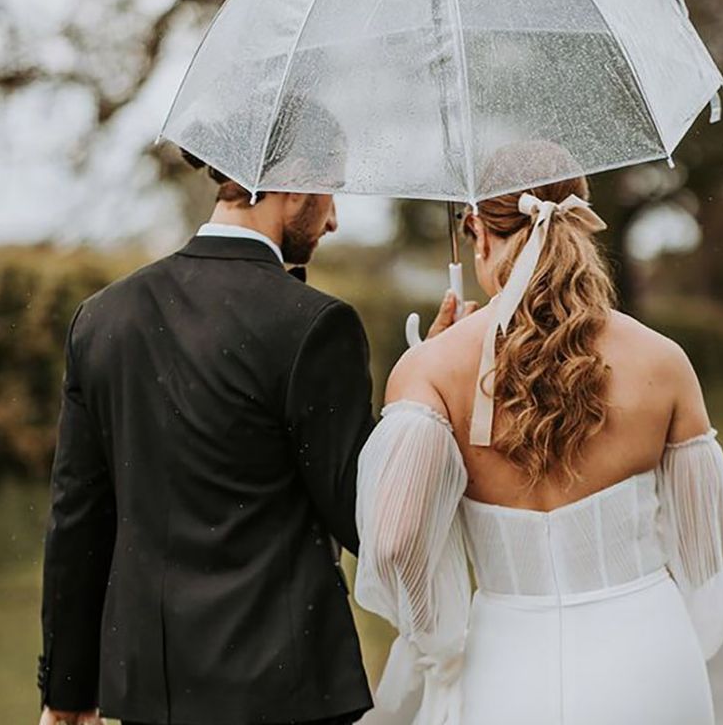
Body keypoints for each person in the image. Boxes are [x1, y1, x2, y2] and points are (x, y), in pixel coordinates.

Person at [36, 104, 467, 725]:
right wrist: (425, 385)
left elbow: (78, 518)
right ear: (291, 185)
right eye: (330, 190)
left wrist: (68, 693)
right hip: (285, 695)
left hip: (148, 698)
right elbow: (362, 516)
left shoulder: (104, 317)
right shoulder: (315, 326)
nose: (335, 219)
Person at [354, 172, 723, 725]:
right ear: (582, 227)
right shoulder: (663, 361)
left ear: (477, 233)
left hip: (507, 668)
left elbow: (392, 546)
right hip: (650, 661)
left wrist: (439, 641)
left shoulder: (431, 371)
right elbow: (706, 555)